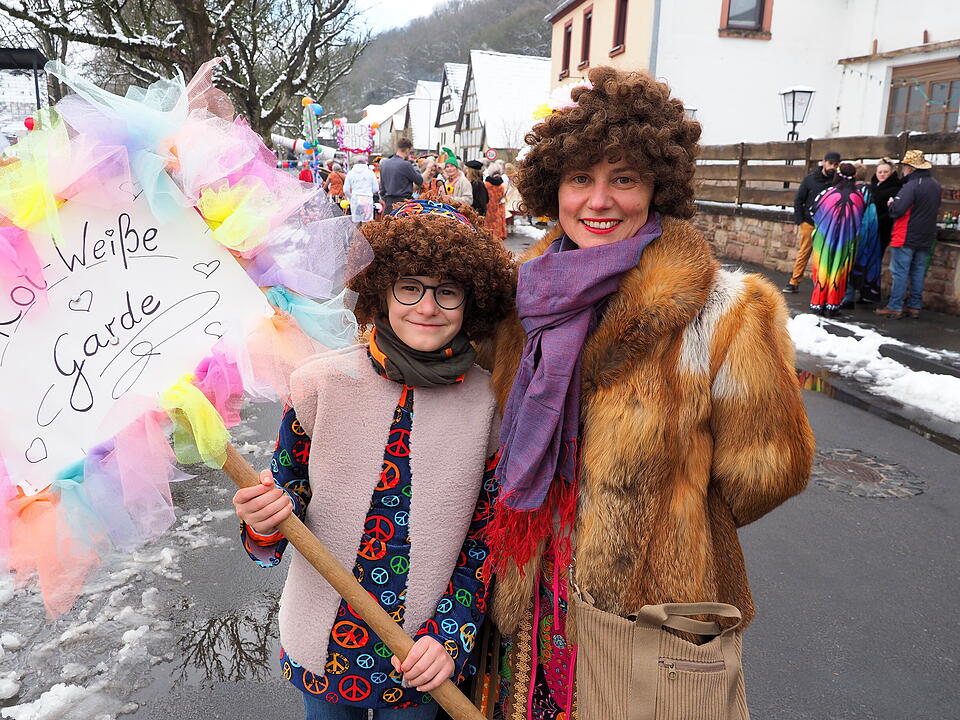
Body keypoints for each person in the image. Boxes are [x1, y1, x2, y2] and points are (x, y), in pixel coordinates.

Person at [481, 66, 814, 719]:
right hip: (534, 595)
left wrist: (665, 521)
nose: (598, 200)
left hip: (647, 615)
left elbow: (768, 472)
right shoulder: (524, 299)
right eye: (581, 178)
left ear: (657, 187)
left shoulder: (726, 314)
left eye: (623, 179)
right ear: (557, 189)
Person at [233, 198, 515, 720]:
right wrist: (261, 521)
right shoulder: (318, 384)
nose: (427, 308)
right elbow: (284, 497)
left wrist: (448, 637)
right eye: (409, 286)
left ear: (471, 302)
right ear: (381, 290)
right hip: (323, 647)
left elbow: (485, 539)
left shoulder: (490, 405)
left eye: (447, 291)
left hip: (422, 659)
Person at [875, 149, 942, 319]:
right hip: (926, 235)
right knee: (918, 271)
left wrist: (891, 204)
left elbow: (897, 210)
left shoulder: (911, 186)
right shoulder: (934, 184)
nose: (903, 169)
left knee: (900, 271)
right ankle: (914, 305)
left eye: (904, 166)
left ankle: (895, 305)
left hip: (906, 235)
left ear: (910, 168)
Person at [808, 162, 866, 316]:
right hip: (847, 241)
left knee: (823, 268)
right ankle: (833, 304)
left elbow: (813, 211)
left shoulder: (828, 193)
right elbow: (860, 218)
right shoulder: (859, 197)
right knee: (839, 271)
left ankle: (818, 303)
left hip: (825, 239)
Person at [783, 151, 840, 293]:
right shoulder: (811, 179)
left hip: (827, 224)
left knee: (823, 256)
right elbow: (799, 200)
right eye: (830, 163)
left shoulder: (837, 181)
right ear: (824, 162)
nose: (832, 166)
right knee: (804, 253)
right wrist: (800, 221)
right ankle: (794, 281)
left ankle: (821, 285)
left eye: (835, 164)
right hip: (809, 222)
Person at [379, 138, 423, 214]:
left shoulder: (384, 163)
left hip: (388, 204)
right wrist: (413, 164)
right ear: (408, 150)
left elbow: (382, 189)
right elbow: (419, 180)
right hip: (403, 205)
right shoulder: (406, 165)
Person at [869, 160, 902, 255]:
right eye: (880, 172)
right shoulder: (873, 187)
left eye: (885, 172)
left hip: (884, 226)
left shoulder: (895, 188)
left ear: (891, 173)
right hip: (871, 225)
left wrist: (878, 220)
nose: (882, 174)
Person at [343, 159, 379, 224]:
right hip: (367, 198)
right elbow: (376, 188)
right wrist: (369, 193)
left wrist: (351, 197)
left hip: (355, 198)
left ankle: (356, 234)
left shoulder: (350, 173)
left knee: (356, 223)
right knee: (367, 223)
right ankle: (365, 234)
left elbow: (346, 190)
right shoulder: (370, 173)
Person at [483, 173, 506, 240]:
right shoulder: (502, 186)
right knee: (497, 225)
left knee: (488, 226)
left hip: (488, 208)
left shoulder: (486, 185)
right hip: (497, 208)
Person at [503, 162, 523, 231]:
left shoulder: (515, 177)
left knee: (509, 212)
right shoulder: (515, 176)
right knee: (509, 212)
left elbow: (511, 188)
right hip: (512, 196)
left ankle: (510, 226)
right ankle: (510, 226)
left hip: (513, 197)